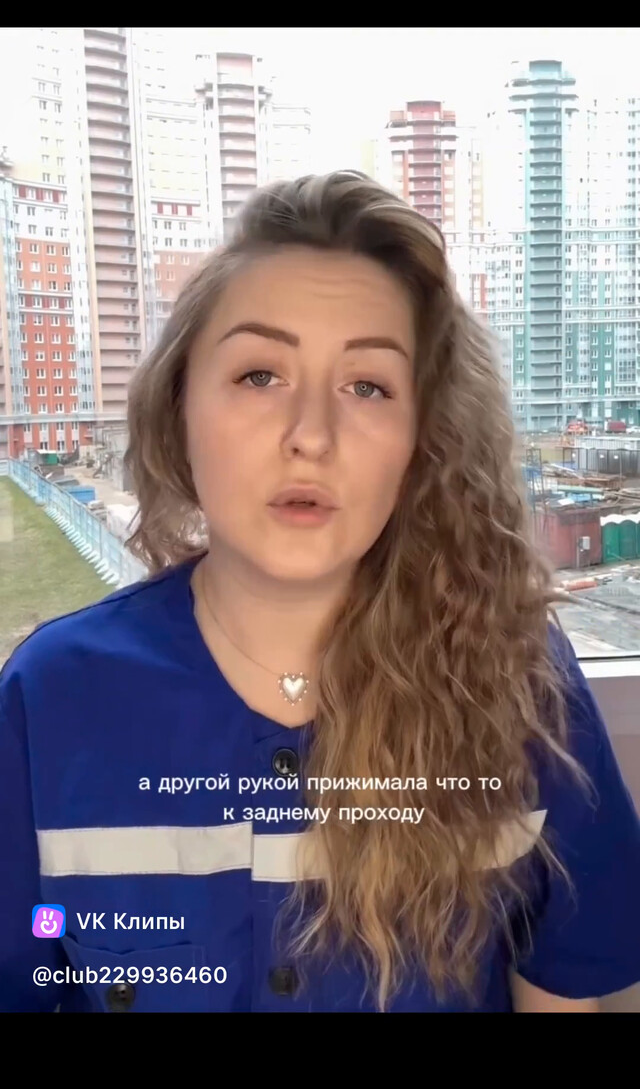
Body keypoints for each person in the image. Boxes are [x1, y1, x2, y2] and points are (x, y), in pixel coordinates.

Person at [1, 170, 640, 1014]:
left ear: (422, 440)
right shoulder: (54, 696)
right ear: (179, 408)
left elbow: (564, 989)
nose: (311, 436)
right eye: (260, 375)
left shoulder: (520, 679)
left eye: (367, 387)